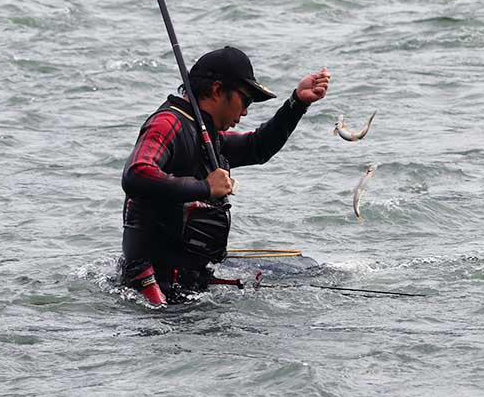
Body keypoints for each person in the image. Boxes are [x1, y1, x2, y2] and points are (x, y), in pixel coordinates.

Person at [119, 46, 331, 305]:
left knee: (315, 274)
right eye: (246, 100)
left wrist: (297, 103)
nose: (245, 113)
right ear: (218, 90)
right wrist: (204, 188)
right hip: (153, 289)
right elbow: (136, 173)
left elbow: (257, 147)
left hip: (189, 280)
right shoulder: (168, 123)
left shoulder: (207, 135)